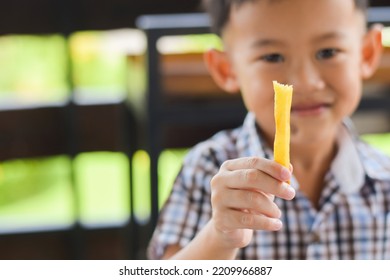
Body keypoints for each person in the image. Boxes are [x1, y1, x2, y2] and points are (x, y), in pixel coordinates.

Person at [147, 0, 390, 259]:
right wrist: (220, 236)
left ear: (366, 53)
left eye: (328, 52)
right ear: (226, 69)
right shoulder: (205, 170)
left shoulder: (384, 184)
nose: (304, 82)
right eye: (272, 57)